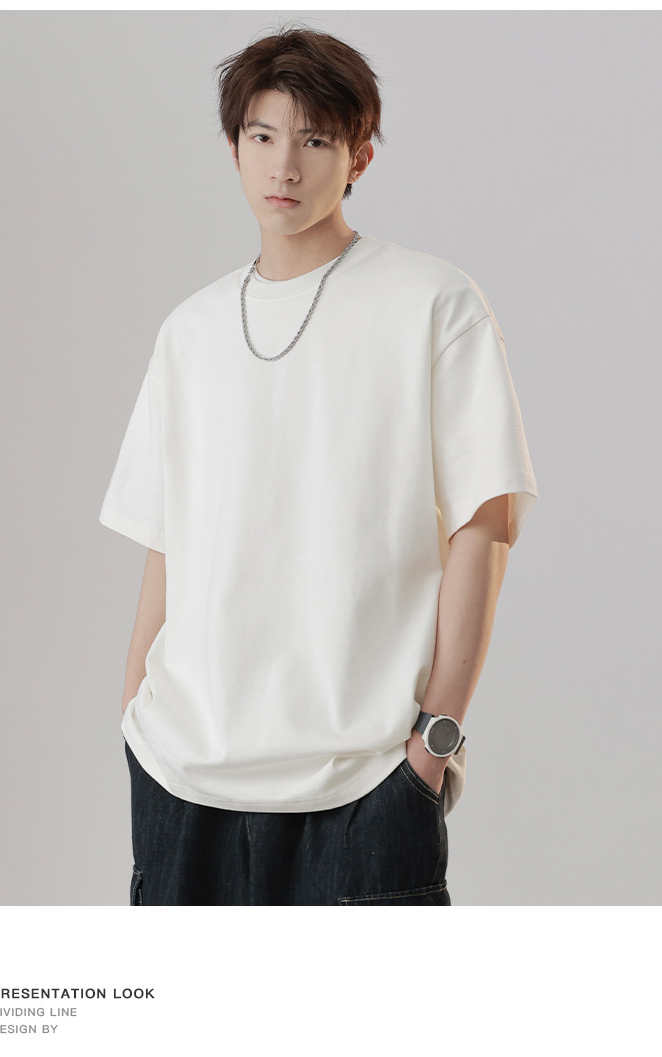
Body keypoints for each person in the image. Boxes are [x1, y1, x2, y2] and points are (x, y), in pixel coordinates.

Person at [99, 25, 538, 906]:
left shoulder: (432, 302)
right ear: (233, 148)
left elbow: (485, 526)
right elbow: (166, 537)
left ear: (359, 157)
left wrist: (435, 741)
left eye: (315, 140)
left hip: (366, 777)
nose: (284, 166)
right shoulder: (190, 331)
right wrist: (135, 707)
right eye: (262, 136)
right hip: (183, 773)